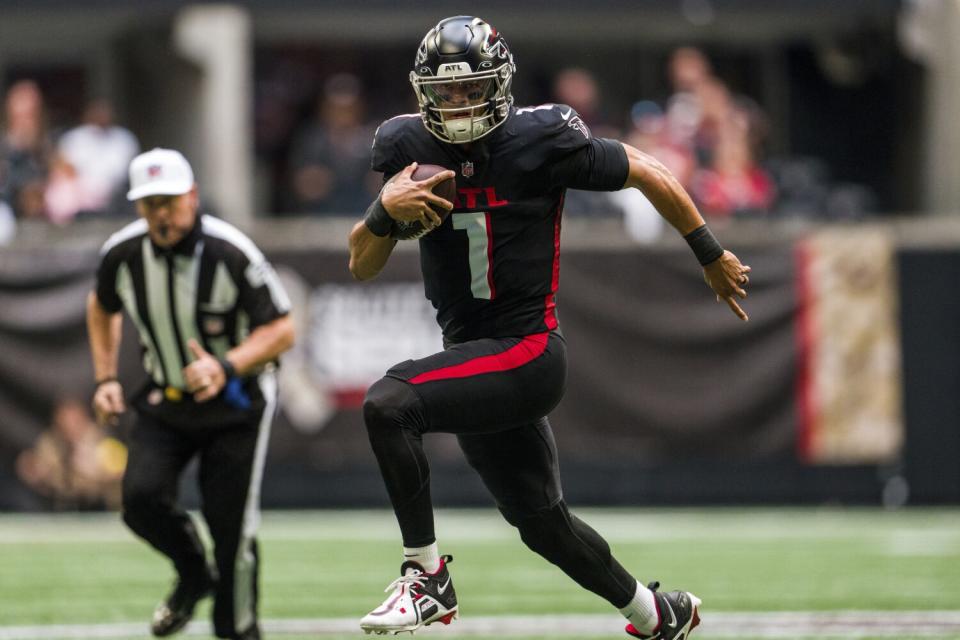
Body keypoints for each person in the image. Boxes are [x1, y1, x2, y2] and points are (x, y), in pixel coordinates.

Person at [348, 16, 751, 640]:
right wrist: (382, 212)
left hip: (529, 350)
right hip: (476, 353)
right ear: (423, 93)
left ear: (499, 84)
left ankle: (426, 578)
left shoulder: (541, 138)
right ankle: (656, 614)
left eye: (469, 88)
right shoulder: (407, 149)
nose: (456, 105)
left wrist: (708, 253)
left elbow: (647, 170)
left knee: (388, 403)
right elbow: (361, 264)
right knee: (543, 524)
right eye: (444, 92)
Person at [87, 147, 294, 640]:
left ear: (193, 196)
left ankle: (239, 631)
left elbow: (283, 329)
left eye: (170, 201)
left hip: (236, 404)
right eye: (150, 203)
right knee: (139, 500)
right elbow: (101, 305)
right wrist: (106, 378)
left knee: (232, 530)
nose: (161, 214)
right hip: (168, 399)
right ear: (138, 206)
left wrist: (227, 365)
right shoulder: (123, 253)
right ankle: (194, 575)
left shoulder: (229, 251)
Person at [15, 396, 126, 510]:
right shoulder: (51, 442)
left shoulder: (102, 442)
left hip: (99, 504)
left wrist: (98, 472)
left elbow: (123, 473)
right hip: (62, 505)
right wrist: (36, 471)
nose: (69, 426)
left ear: (83, 418)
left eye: (74, 420)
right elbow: (48, 475)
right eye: (63, 421)